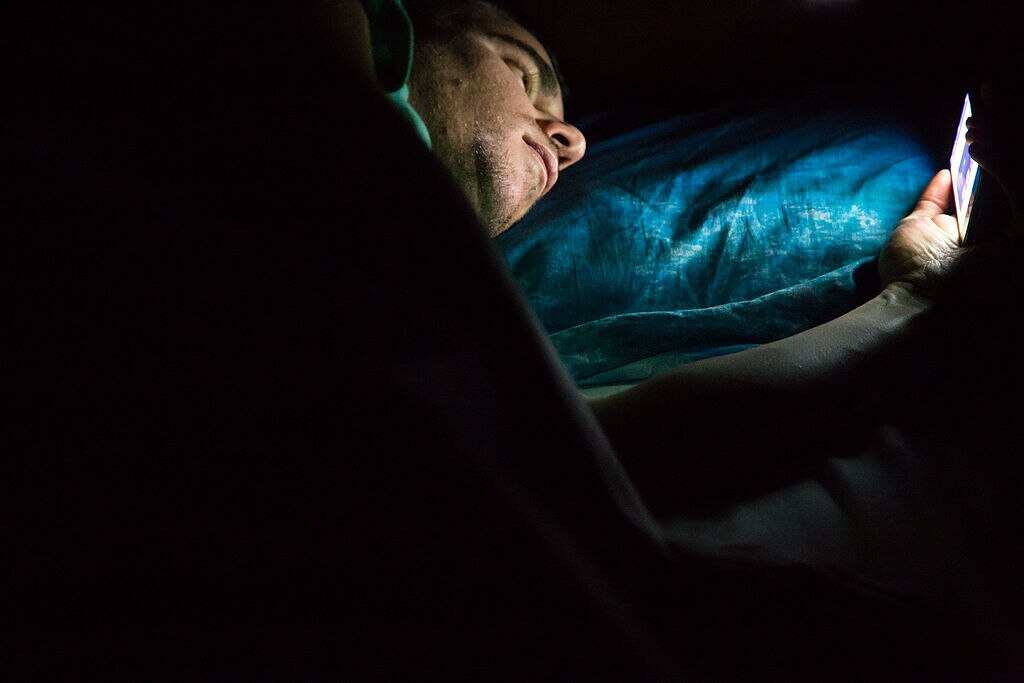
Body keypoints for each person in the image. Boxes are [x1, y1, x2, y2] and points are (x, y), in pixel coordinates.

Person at [11, 0, 1021, 678]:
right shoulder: (318, 79)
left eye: (567, 112)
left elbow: (574, 447)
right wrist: (908, 307)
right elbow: (592, 466)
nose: (570, 135)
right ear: (414, 36)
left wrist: (908, 298)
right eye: (526, 73)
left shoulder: (407, 292)